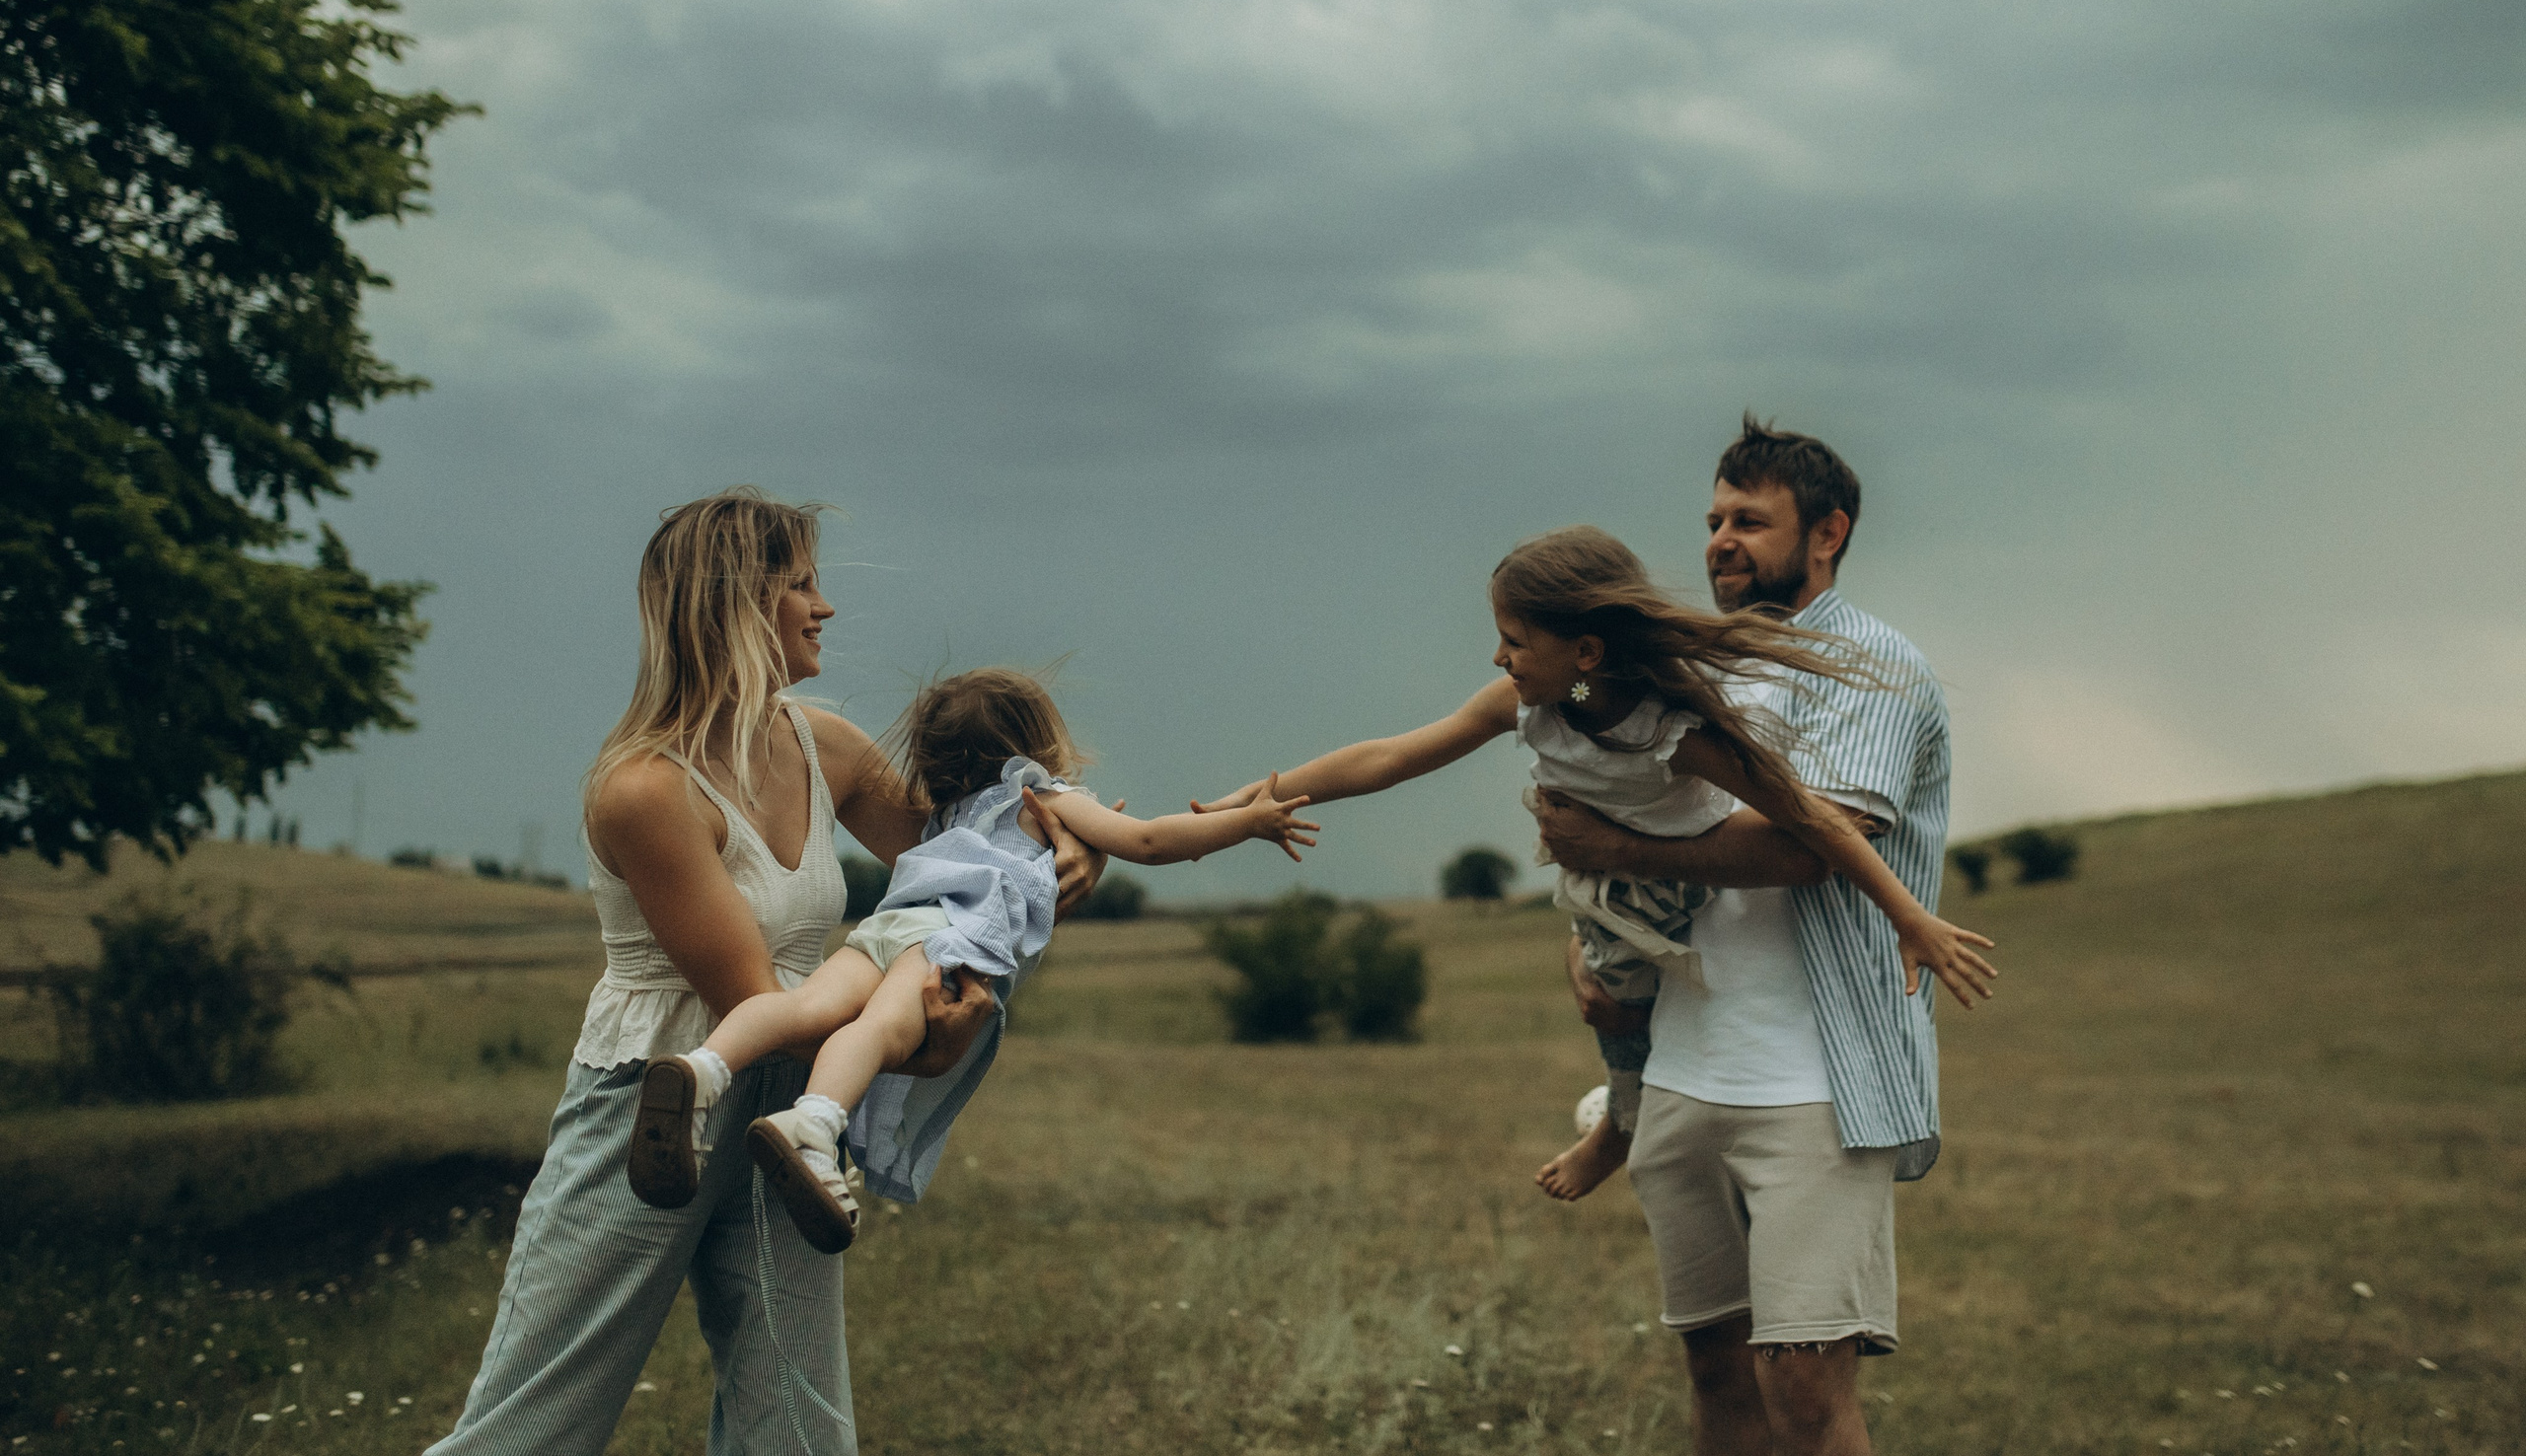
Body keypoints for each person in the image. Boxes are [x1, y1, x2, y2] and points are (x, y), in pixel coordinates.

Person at [427, 489, 1104, 1456]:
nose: (824, 606)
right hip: (654, 1096)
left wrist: (1084, 850)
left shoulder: (820, 742)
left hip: (790, 1100)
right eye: (801, 585)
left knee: (796, 1421)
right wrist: (907, 1044)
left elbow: (968, 858)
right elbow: (751, 998)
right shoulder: (646, 789)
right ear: (736, 603)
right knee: (534, 1423)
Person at [1202, 524, 1994, 1168]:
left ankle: (1619, 1124)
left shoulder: (1669, 735)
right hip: (1600, 890)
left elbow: (1812, 818)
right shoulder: (1551, 697)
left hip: (1675, 886)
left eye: (1513, 641)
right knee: (1606, 988)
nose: (1498, 658)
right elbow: (1393, 755)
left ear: (1585, 651)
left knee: (1622, 1000)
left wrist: (1909, 919)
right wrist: (1259, 795)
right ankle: (1625, 1110)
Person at [1532, 416, 1970, 1456]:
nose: (1721, 539)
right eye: (1714, 518)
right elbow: (1589, 720)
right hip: (1684, 1070)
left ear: (1828, 532)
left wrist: (1612, 841)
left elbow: (1811, 845)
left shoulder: (1875, 667)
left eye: (1750, 520)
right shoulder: (1696, 662)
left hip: (1815, 1082)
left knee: (1806, 1391)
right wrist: (1554, 659)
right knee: (1717, 1372)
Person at [631, 666, 1318, 1251]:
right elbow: (1148, 840)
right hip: (947, 942)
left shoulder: (946, 815)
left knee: (805, 1003)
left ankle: (701, 1068)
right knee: (874, 1032)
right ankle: (811, 1126)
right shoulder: (1043, 793)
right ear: (1035, 745)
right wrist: (1248, 823)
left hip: (889, 923)